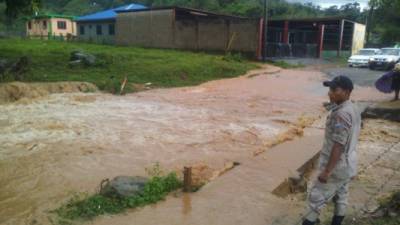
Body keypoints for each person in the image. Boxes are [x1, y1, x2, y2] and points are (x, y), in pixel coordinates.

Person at [302, 76, 361, 225]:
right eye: (330, 89)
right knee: (342, 195)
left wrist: (327, 171)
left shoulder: (341, 114)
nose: (330, 93)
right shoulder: (352, 108)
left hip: (335, 167)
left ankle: (309, 222)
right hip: (348, 164)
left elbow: (338, 145)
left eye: (335, 90)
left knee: (316, 199)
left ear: (347, 92)